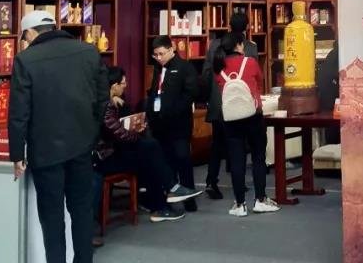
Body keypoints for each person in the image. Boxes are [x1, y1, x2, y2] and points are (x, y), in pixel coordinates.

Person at [9, 10, 109, 263]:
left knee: (52, 218)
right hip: (82, 147)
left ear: (30, 33)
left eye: (24, 37)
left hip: (45, 152)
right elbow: (103, 98)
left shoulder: (26, 60)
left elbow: (19, 112)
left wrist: (17, 154)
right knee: (82, 211)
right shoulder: (89, 52)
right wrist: (91, 131)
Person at [95, 67, 198, 223]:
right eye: (123, 83)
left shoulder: (108, 102)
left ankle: (163, 201)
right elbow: (118, 133)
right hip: (105, 158)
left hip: (112, 152)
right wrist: (137, 134)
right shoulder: (106, 105)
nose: (125, 85)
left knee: (150, 153)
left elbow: (117, 131)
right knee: (150, 151)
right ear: (113, 86)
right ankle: (167, 195)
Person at [213, 32, 279, 217]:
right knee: (258, 157)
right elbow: (259, 82)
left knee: (236, 160)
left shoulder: (219, 67)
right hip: (253, 116)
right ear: (239, 45)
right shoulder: (250, 62)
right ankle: (260, 200)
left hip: (230, 119)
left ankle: (240, 204)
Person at [203, 12, 259, 200]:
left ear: (228, 25)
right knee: (240, 144)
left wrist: (209, 98)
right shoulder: (250, 47)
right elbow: (254, 78)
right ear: (247, 27)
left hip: (217, 101)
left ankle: (211, 180)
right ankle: (239, 184)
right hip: (239, 104)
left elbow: (206, 73)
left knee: (217, 144)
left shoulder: (214, 45)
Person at [146, 35, 200, 212]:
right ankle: (167, 198)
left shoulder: (185, 67)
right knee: (165, 161)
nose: (159, 58)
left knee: (183, 159)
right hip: (159, 124)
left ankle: (189, 199)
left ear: (171, 49)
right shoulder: (157, 68)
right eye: (155, 55)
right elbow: (154, 91)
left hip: (179, 124)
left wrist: (174, 110)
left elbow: (191, 94)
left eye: (161, 54)